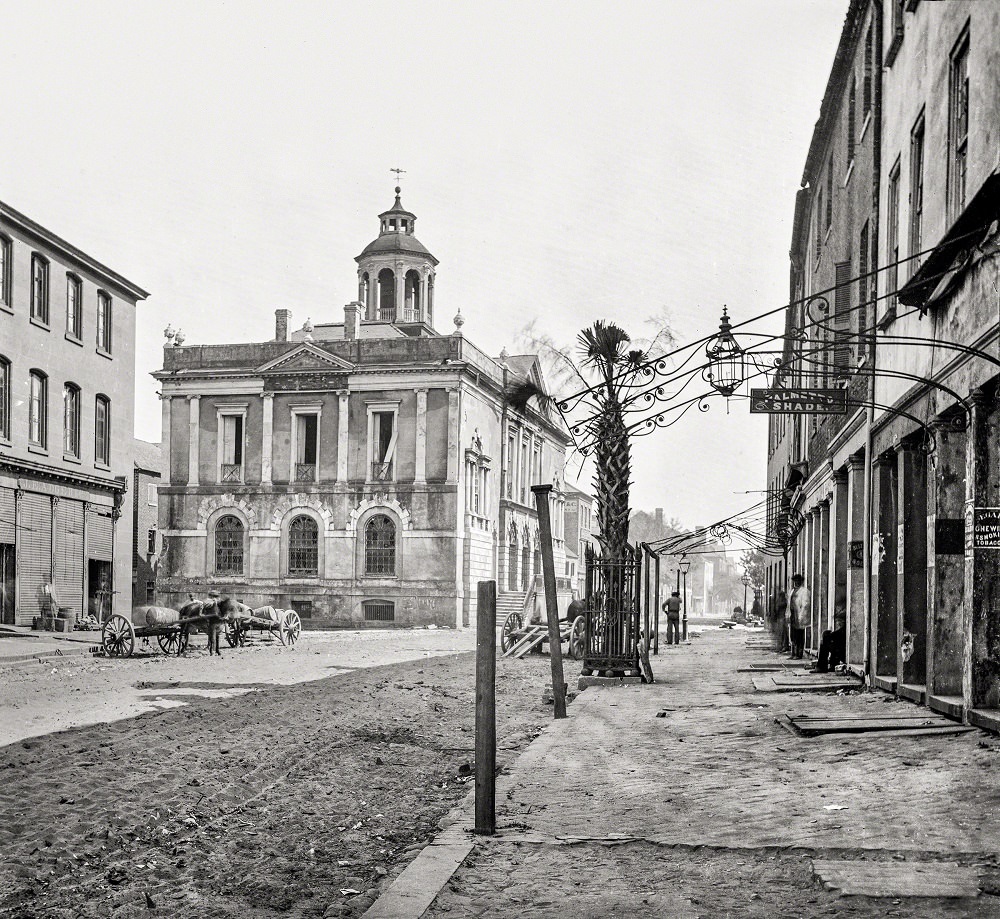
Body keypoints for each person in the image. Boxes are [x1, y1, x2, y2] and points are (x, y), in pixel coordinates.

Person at [817, 604, 847, 673]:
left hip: (844, 654)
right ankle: (830, 665)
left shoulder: (843, 630)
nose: (838, 624)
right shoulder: (842, 630)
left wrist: (827, 635)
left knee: (827, 637)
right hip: (841, 652)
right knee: (829, 637)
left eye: (839, 622)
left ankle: (822, 666)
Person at [788, 574, 810, 659]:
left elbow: (805, 605)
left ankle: (799, 654)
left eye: (798, 581)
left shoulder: (804, 591)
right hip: (793, 615)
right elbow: (789, 604)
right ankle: (793, 653)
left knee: (799, 635)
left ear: (801, 581)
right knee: (792, 635)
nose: (796, 582)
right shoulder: (792, 591)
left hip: (800, 616)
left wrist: (801, 616)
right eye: (795, 581)